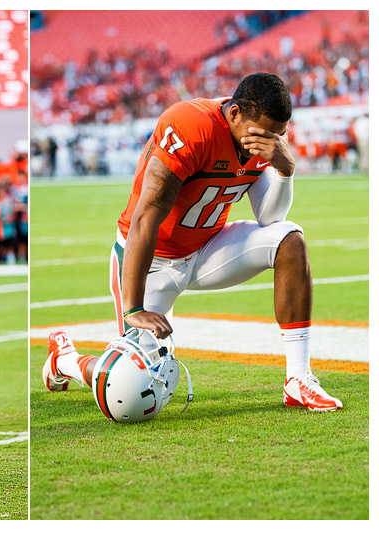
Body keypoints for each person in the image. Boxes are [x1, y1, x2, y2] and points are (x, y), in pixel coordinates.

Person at [44, 72, 342, 414]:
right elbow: (146, 216)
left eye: (278, 136)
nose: (268, 142)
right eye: (263, 133)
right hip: (151, 261)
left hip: (207, 249)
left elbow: (270, 218)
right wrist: (134, 308)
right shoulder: (190, 125)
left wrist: (285, 169)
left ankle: (298, 379)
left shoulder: (264, 140)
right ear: (234, 115)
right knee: (129, 388)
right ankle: (65, 360)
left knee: (289, 238)